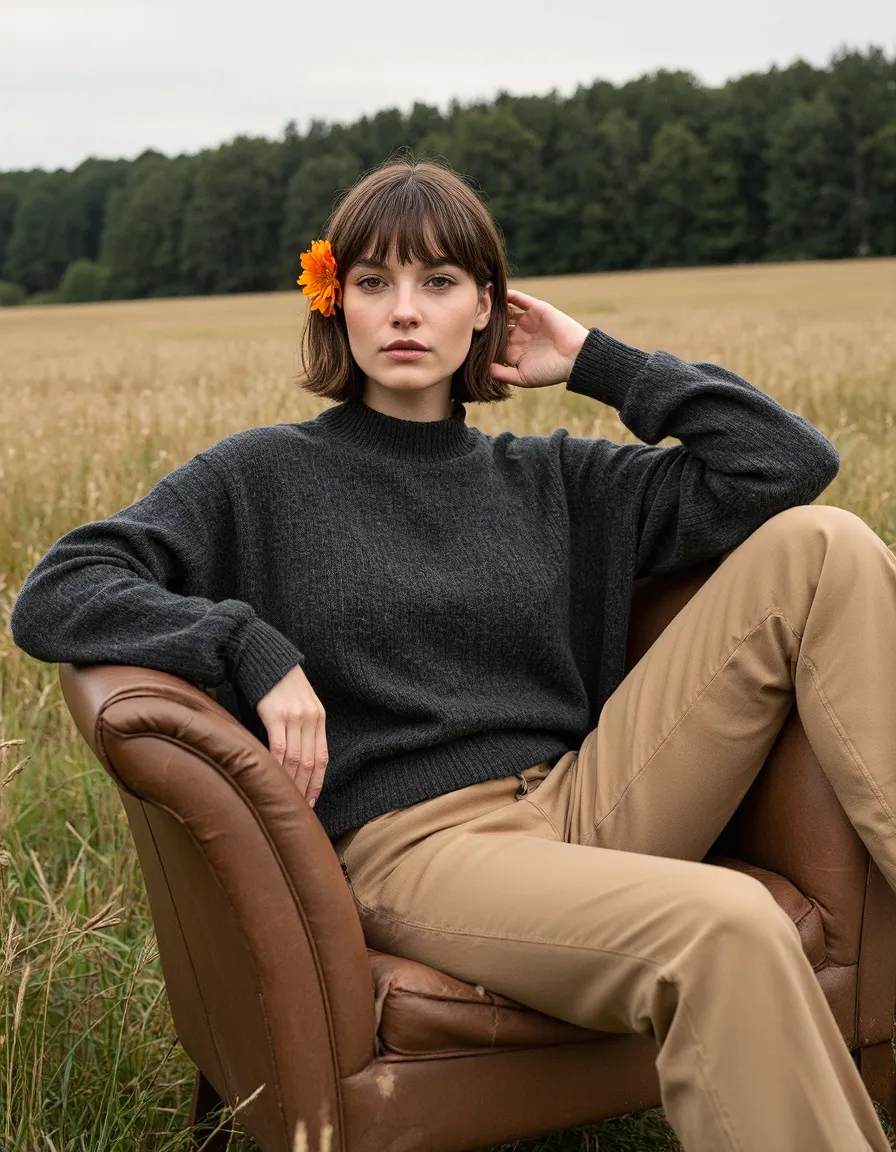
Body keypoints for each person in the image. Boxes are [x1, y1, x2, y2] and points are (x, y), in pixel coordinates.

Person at [10, 157, 896, 1152]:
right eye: (374, 281)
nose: (404, 310)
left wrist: (595, 360)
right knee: (729, 924)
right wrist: (245, 642)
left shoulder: (552, 478)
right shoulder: (264, 477)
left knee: (824, 545)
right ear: (335, 303)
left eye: (438, 281)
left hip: (590, 797)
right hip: (422, 848)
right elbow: (62, 588)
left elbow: (787, 463)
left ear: (486, 308)